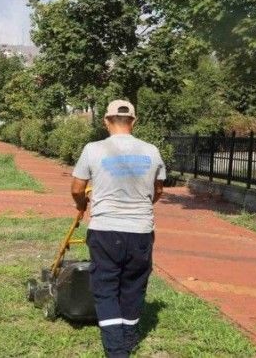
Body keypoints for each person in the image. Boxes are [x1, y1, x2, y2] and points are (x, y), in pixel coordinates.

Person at [70, 100, 166, 357]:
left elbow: (77, 188)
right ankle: (128, 339)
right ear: (134, 121)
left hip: (105, 229)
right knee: (134, 285)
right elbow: (158, 190)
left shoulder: (92, 149)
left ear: (106, 121)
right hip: (141, 231)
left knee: (105, 287)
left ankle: (116, 350)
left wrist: (83, 204)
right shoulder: (152, 151)